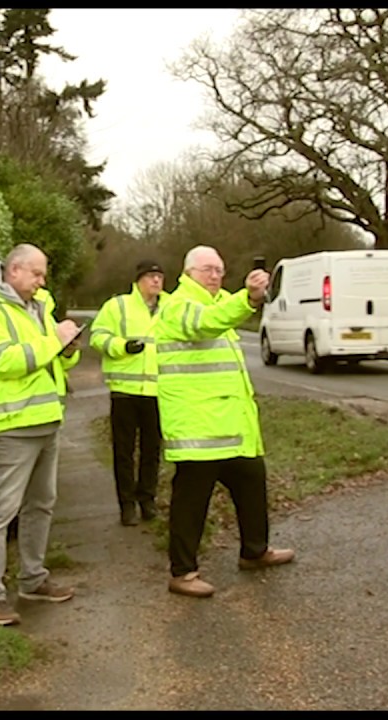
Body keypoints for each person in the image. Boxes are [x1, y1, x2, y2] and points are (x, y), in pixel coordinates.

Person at [151, 245, 296, 598]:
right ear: (188, 273)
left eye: (219, 269)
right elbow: (204, 326)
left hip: (230, 425)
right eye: (207, 270)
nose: (215, 275)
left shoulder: (219, 303)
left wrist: (247, 298)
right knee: (190, 503)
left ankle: (255, 551)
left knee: (252, 483)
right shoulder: (178, 306)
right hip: (197, 427)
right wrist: (247, 298)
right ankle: (182, 573)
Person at [0, 243, 83, 626]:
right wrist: (54, 342)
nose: (42, 281)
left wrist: (68, 349)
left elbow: (51, 361)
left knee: (41, 505)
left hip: (45, 420)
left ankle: (32, 578)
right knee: (0, 513)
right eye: (36, 274)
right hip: (10, 427)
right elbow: (5, 362)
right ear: (13, 271)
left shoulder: (38, 305)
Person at [90, 259, 167, 526]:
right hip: (125, 391)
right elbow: (97, 336)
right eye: (150, 277)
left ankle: (147, 499)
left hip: (158, 390)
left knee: (152, 449)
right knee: (124, 451)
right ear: (138, 280)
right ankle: (126, 504)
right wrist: (122, 346)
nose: (156, 281)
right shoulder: (117, 306)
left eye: (159, 276)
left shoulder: (170, 307)